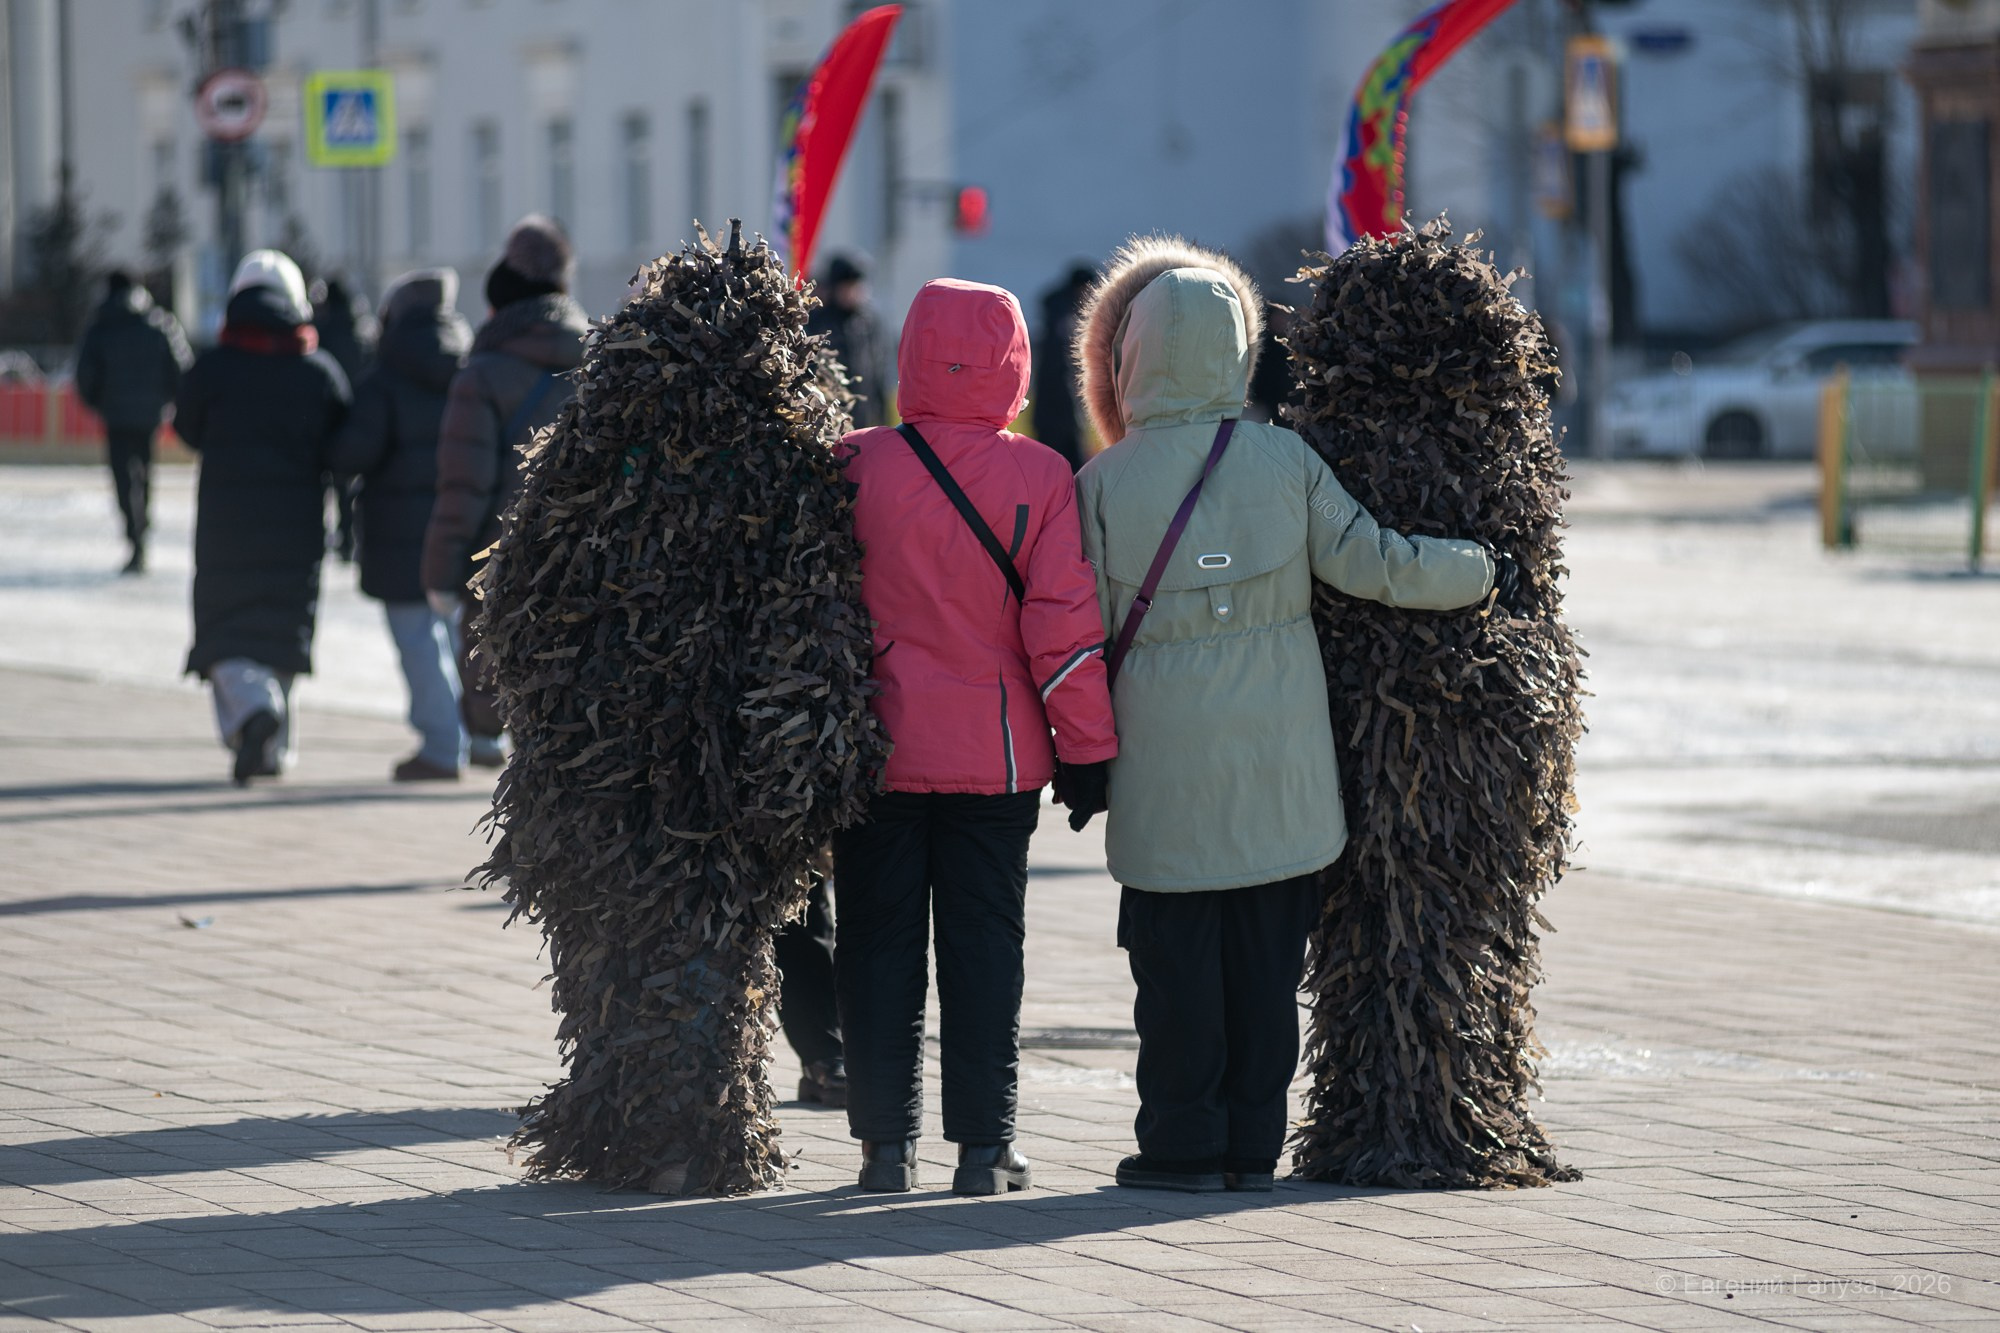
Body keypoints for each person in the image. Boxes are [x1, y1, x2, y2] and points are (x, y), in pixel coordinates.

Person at [1071, 238, 1495, 1194]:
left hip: (1163, 778)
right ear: (1240, 349)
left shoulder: (1101, 485)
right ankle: (1252, 1147)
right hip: (1280, 775)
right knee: (1267, 973)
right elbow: (1375, 561)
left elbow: (1076, 630)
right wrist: (1480, 567)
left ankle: (1179, 1146)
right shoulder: (1284, 461)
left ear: (1128, 356)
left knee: (1174, 979)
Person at [834, 278, 1117, 1196]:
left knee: (876, 945)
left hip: (874, 749)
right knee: (985, 947)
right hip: (995, 757)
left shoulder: (852, 463)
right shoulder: (1039, 476)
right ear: (1016, 364)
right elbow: (1063, 631)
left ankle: (885, 1147)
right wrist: (1087, 752)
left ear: (911, 352)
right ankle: (985, 1152)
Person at [175, 250, 351, 785]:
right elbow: (342, 446)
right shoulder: (317, 370)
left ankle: (254, 715)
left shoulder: (213, 367)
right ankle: (274, 746)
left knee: (225, 629)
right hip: (297, 524)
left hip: (225, 522)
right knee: (282, 628)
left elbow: (185, 428)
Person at [421, 215, 588, 769]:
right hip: (587, 563)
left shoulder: (484, 374)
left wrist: (441, 573)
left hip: (504, 565)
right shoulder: (601, 365)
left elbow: (462, 487)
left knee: (508, 703)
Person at [329, 269, 473, 782]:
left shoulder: (385, 377)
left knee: (417, 638)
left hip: (399, 531)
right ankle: (483, 735)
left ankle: (441, 745)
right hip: (465, 524)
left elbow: (352, 452)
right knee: (465, 636)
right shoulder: (468, 366)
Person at [73, 269, 192, 575]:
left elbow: (85, 375)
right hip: (149, 414)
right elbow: (181, 368)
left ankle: (135, 533)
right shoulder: (159, 323)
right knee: (144, 472)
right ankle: (143, 528)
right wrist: (164, 399)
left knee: (123, 478)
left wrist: (99, 403)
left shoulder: (101, 326)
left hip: (116, 416)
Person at [313, 276, 376, 564]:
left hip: (328, 414)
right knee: (352, 482)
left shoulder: (322, 330)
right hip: (361, 413)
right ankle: (350, 536)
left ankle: (338, 535)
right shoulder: (363, 332)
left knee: (330, 480)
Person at [806, 253, 889, 427]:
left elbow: (878, 372)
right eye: (847, 286)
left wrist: (883, 420)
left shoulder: (869, 321)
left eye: (856, 286)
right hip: (827, 418)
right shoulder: (817, 321)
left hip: (863, 417)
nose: (852, 292)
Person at [1031, 264, 1096, 471]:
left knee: (1046, 472)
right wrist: (1075, 419)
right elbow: (1063, 372)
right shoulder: (1066, 322)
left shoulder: (1056, 316)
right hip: (1060, 417)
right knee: (1073, 473)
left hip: (1047, 414)